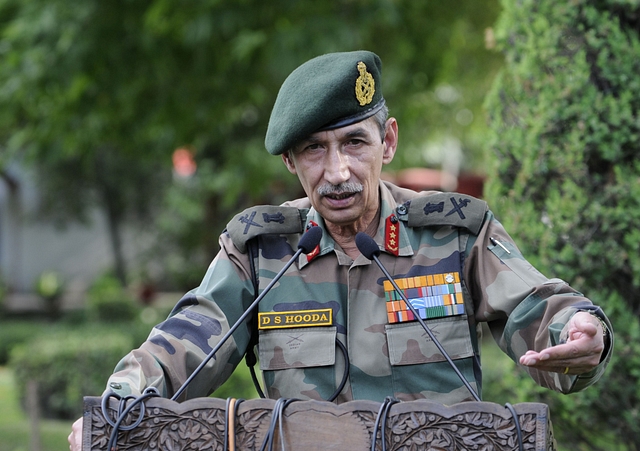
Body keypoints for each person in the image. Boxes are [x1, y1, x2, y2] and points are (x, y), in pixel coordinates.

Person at [69, 50, 612, 449]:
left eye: (355, 143)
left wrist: (579, 332)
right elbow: (185, 341)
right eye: (313, 150)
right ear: (290, 163)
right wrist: (118, 401)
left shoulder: (453, 234)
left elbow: (537, 310)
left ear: (389, 141)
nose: (337, 173)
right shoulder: (262, 250)